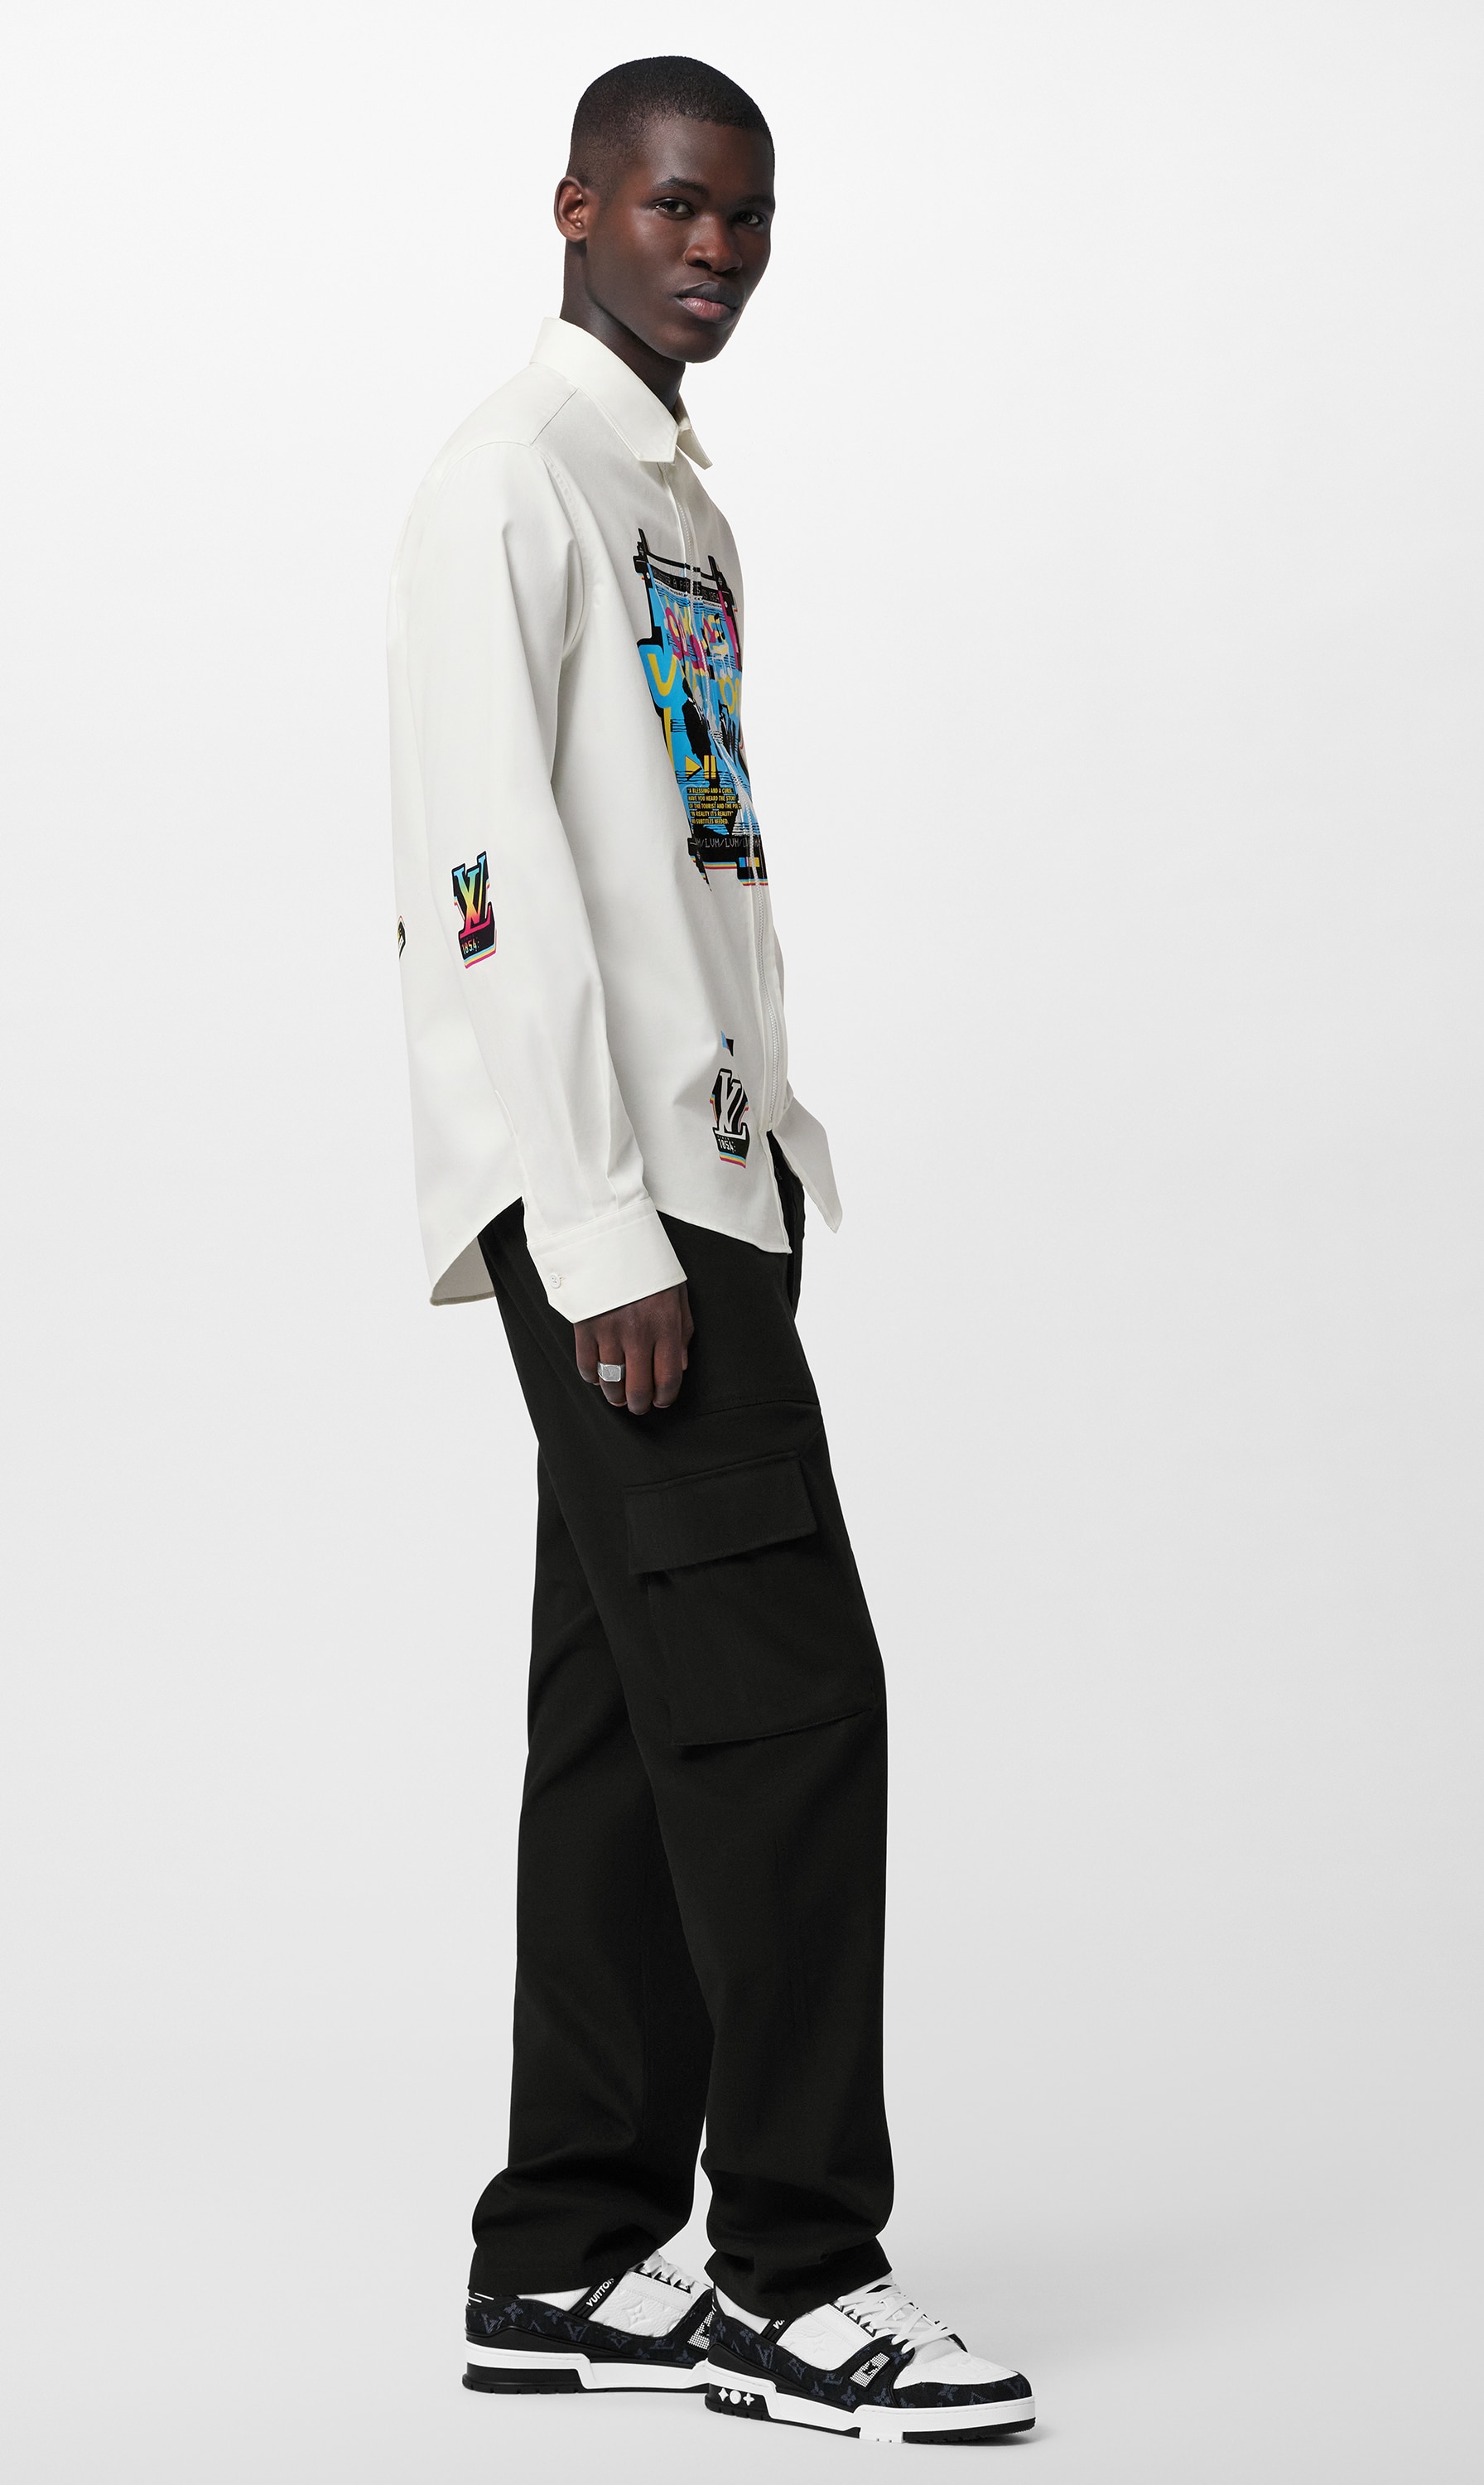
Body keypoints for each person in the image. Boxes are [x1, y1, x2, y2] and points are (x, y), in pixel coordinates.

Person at [388, 54, 1034, 2449]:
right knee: (789, 1718)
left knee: (631, 1729)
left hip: (707, 1186)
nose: (717, 253)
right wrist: (594, 1230)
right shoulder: (512, 483)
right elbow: (482, 875)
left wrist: (753, 1169)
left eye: (747, 218)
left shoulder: (675, 503)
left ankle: (565, 2251)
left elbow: (687, 861)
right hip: (618, 1206)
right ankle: (795, 2269)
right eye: (675, 207)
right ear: (576, 206)